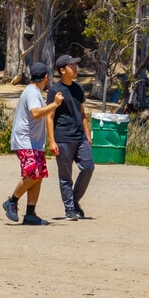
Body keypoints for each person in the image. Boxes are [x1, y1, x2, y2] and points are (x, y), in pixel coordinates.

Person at [3, 62, 64, 226]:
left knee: (39, 175)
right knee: (32, 173)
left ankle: (30, 214)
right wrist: (55, 105)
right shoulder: (31, 92)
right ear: (46, 77)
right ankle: (12, 201)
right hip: (25, 141)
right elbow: (36, 113)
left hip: (35, 142)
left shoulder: (35, 92)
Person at [46, 54, 95, 221]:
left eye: (76, 65)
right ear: (62, 70)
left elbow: (82, 113)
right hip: (63, 138)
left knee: (88, 167)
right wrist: (52, 141)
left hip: (80, 136)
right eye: (72, 66)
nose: (76, 68)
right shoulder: (54, 90)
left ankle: (74, 201)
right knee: (65, 176)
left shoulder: (78, 88)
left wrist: (87, 135)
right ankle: (69, 209)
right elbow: (49, 117)